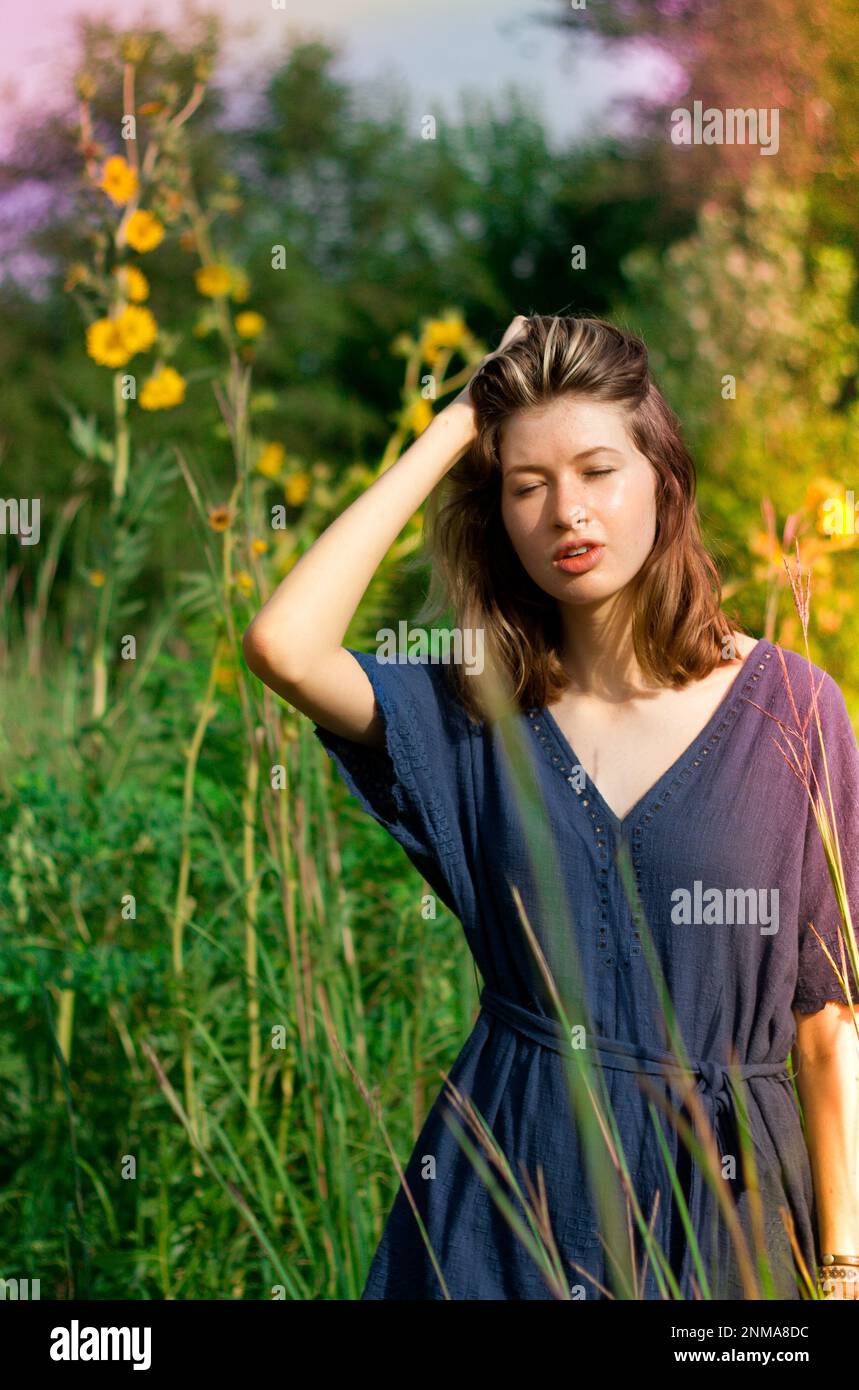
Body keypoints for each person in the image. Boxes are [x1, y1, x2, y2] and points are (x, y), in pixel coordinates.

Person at [242, 313, 859, 1300]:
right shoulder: (471, 712)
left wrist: (843, 1268)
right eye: (527, 486)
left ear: (662, 474)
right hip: (509, 1201)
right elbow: (284, 644)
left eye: (597, 470)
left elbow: (829, 1020)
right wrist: (455, 424)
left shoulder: (792, 708)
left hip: (730, 1220)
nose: (565, 510)